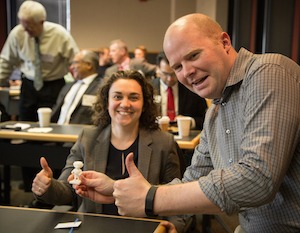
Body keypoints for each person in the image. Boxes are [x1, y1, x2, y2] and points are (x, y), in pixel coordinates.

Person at [73, 13, 300, 233]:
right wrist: (118, 190)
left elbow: (257, 180)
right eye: (178, 67)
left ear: (224, 42)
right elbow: (193, 180)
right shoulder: (214, 114)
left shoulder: (269, 71)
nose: (187, 72)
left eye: (193, 56)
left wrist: (150, 198)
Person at [32, 70, 188, 232]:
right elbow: (67, 190)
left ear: (144, 104)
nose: (125, 104)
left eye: (133, 97)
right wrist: (46, 187)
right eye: (117, 96)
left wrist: (174, 228)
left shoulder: (163, 143)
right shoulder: (88, 137)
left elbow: (176, 197)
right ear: (107, 102)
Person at [0, 1, 79, 121]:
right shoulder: (17, 34)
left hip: (54, 86)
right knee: (25, 121)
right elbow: (6, 62)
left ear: (41, 22)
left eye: (30, 27)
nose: (27, 31)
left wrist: (79, 86)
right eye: (24, 27)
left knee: (52, 122)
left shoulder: (59, 34)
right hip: (29, 85)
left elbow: (75, 62)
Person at [151, 51, 207, 130]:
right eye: (165, 74)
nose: (169, 79)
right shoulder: (149, 88)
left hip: (187, 137)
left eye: (173, 74)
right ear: (158, 69)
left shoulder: (192, 87)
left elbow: (206, 120)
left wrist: (189, 122)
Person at [51, 49, 103, 125]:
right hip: (57, 131)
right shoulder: (67, 86)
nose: (71, 67)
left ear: (89, 65)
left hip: (81, 134)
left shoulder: (101, 88)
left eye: (75, 63)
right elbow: (56, 111)